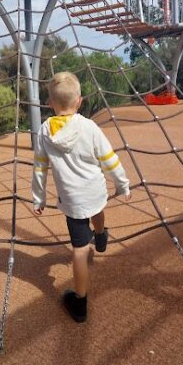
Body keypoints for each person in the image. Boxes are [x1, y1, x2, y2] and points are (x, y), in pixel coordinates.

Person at [32, 71, 131, 323]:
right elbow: (109, 159)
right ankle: (100, 236)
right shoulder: (89, 126)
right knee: (97, 210)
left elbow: (40, 167)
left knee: (78, 250)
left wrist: (38, 198)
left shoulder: (45, 131)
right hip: (95, 191)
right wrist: (122, 185)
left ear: (50, 103)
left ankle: (80, 301)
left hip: (72, 199)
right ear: (79, 101)